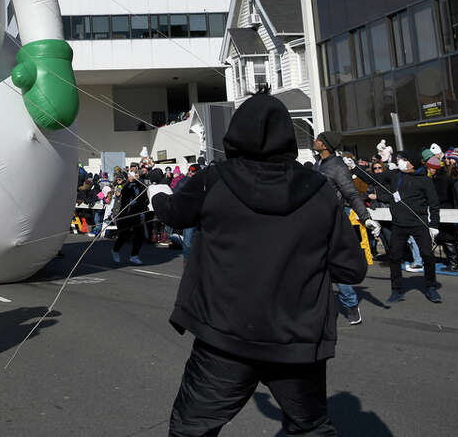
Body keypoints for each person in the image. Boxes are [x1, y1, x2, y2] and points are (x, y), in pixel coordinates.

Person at [149, 90, 367, 437]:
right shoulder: (320, 192)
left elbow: (174, 213)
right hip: (296, 339)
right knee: (311, 428)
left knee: (192, 429)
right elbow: (352, 268)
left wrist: (156, 192)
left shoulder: (214, 180)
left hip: (225, 337)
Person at [310, 130, 381, 325]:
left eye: (318, 139)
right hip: (315, 223)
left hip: (333, 223)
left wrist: (365, 218)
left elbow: (351, 194)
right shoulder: (319, 163)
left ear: (324, 145)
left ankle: (350, 305)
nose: (314, 141)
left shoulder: (337, 166)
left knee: (337, 264)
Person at [372, 151, 442, 304]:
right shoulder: (395, 175)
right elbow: (373, 179)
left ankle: (431, 286)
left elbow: (434, 204)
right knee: (394, 256)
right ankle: (396, 290)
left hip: (420, 225)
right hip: (398, 225)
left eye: (404, 160)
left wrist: (434, 225)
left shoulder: (424, 180)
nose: (401, 162)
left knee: (428, 255)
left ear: (413, 163)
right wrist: (353, 168)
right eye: (400, 160)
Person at [111, 169, 147, 264]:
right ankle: (115, 250)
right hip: (125, 214)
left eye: (134, 175)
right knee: (124, 235)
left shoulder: (140, 184)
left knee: (140, 235)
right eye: (130, 175)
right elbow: (126, 195)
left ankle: (134, 256)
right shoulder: (125, 186)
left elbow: (143, 195)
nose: (132, 177)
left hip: (136, 214)